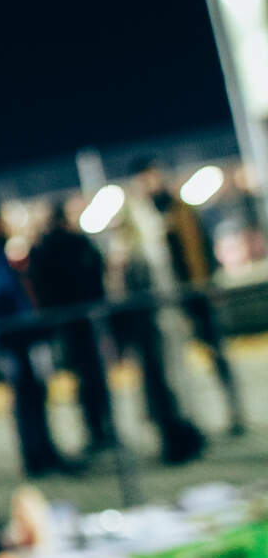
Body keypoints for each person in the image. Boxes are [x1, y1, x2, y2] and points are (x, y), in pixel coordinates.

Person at [133, 158, 246, 434]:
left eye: (152, 176)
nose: (150, 183)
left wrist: (209, 283)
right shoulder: (141, 216)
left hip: (194, 293)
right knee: (176, 363)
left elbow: (201, 247)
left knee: (215, 353)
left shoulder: (180, 208)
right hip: (167, 301)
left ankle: (234, 411)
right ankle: (192, 418)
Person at [110, 163, 205, 464]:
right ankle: (180, 436)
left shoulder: (146, 252)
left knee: (170, 383)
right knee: (167, 384)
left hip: (160, 325)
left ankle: (182, 436)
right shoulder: (143, 253)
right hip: (158, 327)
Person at [0, 200, 69, 477]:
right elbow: (3, 295)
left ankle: (42, 453)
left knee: (34, 395)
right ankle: (37, 456)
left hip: (17, 337)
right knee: (27, 398)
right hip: (13, 338)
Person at [28, 198, 116, 452]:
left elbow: (40, 285)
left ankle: (95, 430)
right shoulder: (78, 243)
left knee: (82, 377)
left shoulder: (45, 248)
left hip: (67, 322)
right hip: (87, 319)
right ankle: (105, 428)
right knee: (95, 375)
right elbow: (98, 271)